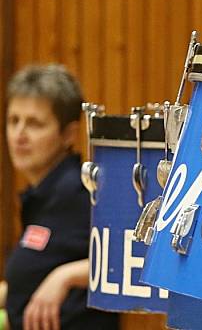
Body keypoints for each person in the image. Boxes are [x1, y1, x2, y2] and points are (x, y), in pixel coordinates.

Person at [1, 65, 118, 330]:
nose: (19, 135)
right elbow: (31, 278)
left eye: (34, 124)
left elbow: (127, 261)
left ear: (68, 134)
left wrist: (65, 276)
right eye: (13, 121)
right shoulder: (41, 195)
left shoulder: (82, 192)